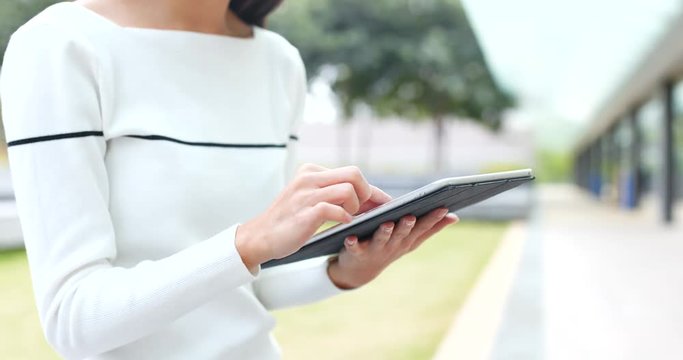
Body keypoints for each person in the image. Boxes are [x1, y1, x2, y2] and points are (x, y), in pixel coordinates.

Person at [0, 0, 459, 358]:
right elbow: (73, 318)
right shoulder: (58, 47)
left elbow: (255, 282)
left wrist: (346, 269)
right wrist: (249, 241)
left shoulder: (279, 62)